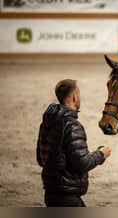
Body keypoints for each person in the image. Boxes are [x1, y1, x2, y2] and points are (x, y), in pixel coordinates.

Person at [36, 79, 112, 207]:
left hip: (50, 192)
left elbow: (41, 159)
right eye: (79, 93)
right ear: (74, 97)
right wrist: (100, 154)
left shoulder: (47, 123)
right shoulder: (72, 126)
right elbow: (82, 163)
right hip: (66, 195)